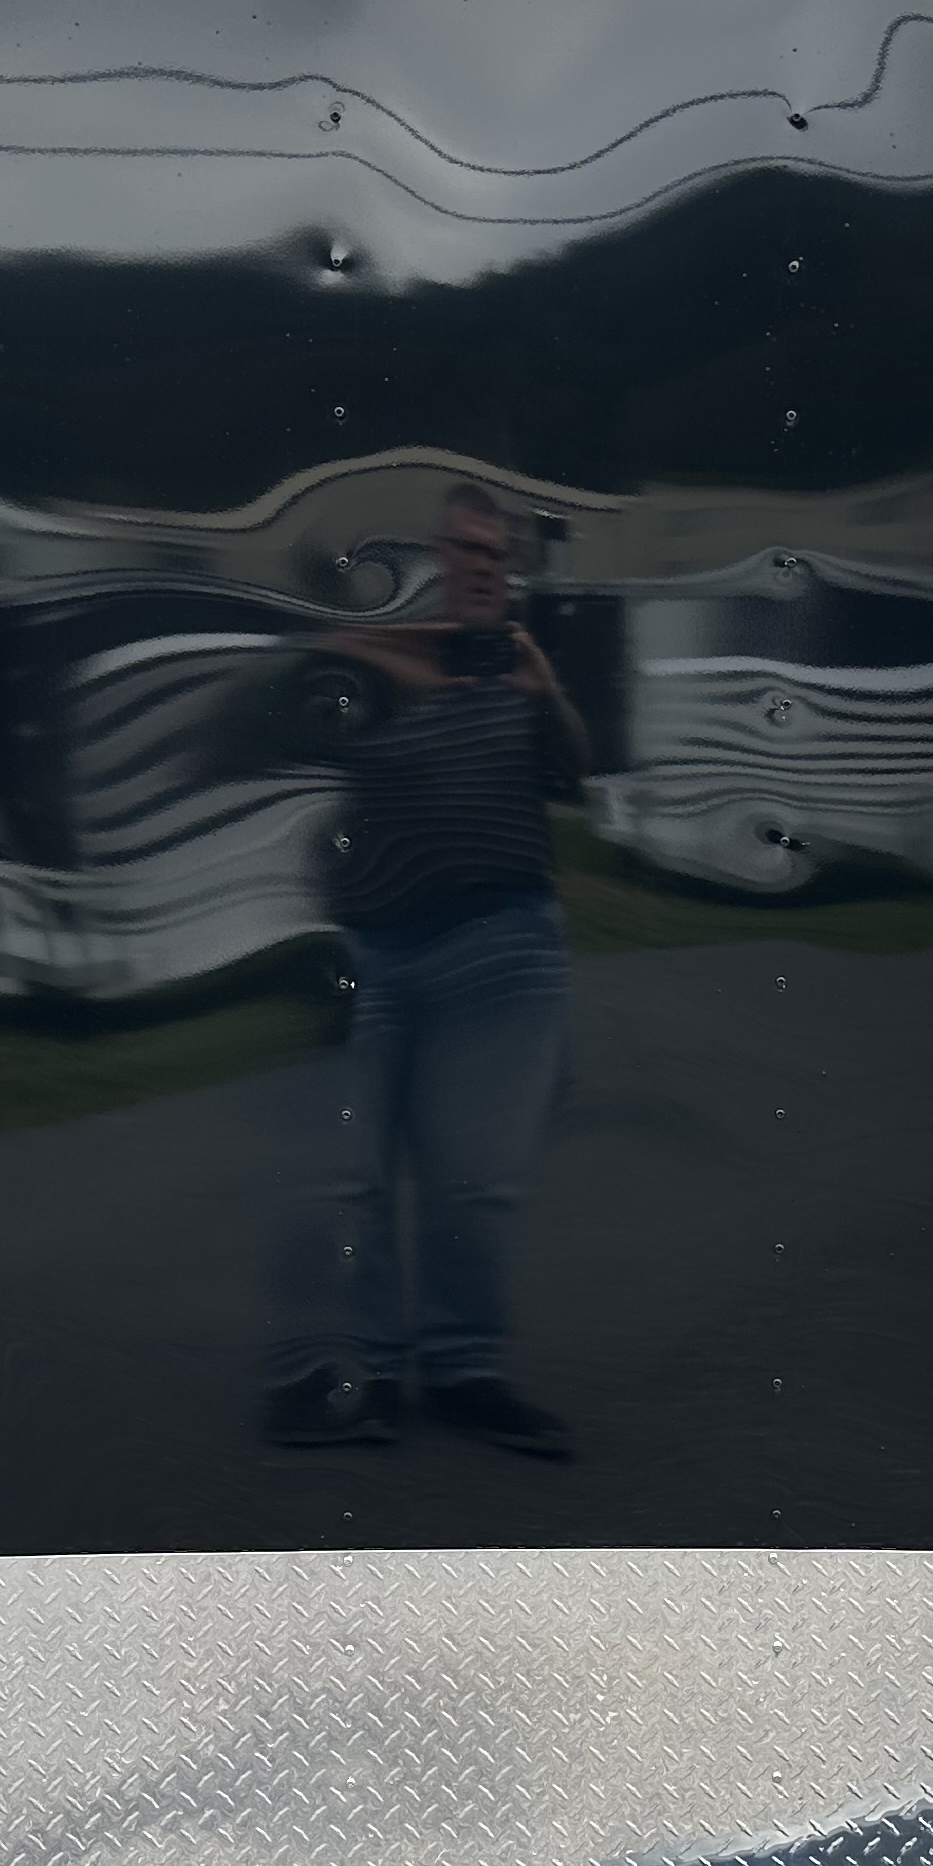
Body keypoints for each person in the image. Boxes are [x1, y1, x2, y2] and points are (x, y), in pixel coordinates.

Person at [262, 482, 588, 1458]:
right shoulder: (374, 659)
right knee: (351, 1177)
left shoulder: (521, 667)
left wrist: (543, 687)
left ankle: (463, 1371)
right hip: (375, 949)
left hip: (501, 945)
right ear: (429, 561)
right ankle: (364, 1375)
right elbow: (299, 738)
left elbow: (576, 773)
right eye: (462, 550)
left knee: (473, 1183)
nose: (479, 568)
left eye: (494, 555)